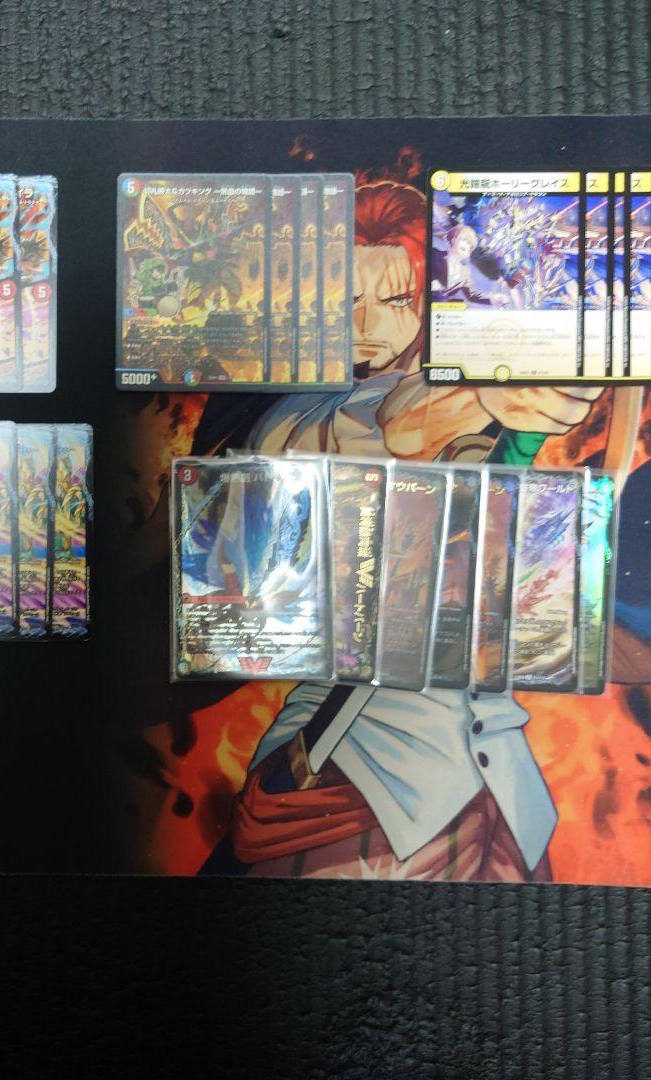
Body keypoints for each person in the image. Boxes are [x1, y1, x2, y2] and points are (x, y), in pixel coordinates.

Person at [217, 180, 606, 882]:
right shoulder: (289, 414)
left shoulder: (479, 410)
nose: (369, 324)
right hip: (350, 779)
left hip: (502, 788)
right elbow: (385, 422)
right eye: (347, 300)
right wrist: (480, 390)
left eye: (396, 300)